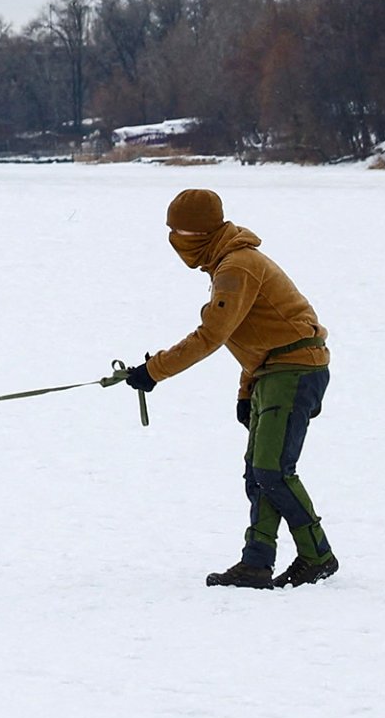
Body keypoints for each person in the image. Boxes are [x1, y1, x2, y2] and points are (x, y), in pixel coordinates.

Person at [122, 189, 338, 589]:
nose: (175, 241)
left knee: (273, 470)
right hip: (273, 372)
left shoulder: (237, 267)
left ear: (201, 231)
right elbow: (254, 335)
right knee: (258, 474)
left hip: (293, 371)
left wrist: (154, 371)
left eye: (180, 231)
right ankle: (257, 563)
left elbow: (213, 334)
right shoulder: (227, 263)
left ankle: (317, 555)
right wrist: (246, 391)